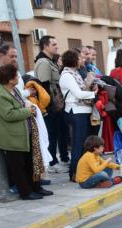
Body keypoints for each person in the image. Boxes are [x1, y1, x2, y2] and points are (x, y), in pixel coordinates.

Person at [0, 64, 52, 200]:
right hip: (11, 137)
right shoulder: (0, 94)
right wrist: (28, 111)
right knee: (18, 167)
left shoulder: (14, 90)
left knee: (30, 163)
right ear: (9, 79)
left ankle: (35, 187)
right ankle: (25, 192)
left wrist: (29, 106)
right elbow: (9, 115)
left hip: (24, 134)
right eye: (16, 75)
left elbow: (21, 104)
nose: (19, 77)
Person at [59, 50, 97, 182]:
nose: (83, 60)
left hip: (83, 110)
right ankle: (74, 173)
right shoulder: (67, 75)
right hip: (75, 111)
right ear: (73, 60)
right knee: (78, 144)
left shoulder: (75, 73)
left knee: (84, 144)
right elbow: (79, 94)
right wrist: (94, 94)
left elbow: (83, 90)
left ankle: (83, 170)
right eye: (80, 58)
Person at [34, 35, 68, 171]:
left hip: (55, 104)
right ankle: (52, 163)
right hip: (50, 105)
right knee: (51, 134)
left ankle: (56, 160)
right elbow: (43, 86)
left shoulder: (50, 61)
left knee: (57, 132)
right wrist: (49, 107)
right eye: (53, 44)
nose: (56, 46)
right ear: (45, 46)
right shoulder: (43, 62)